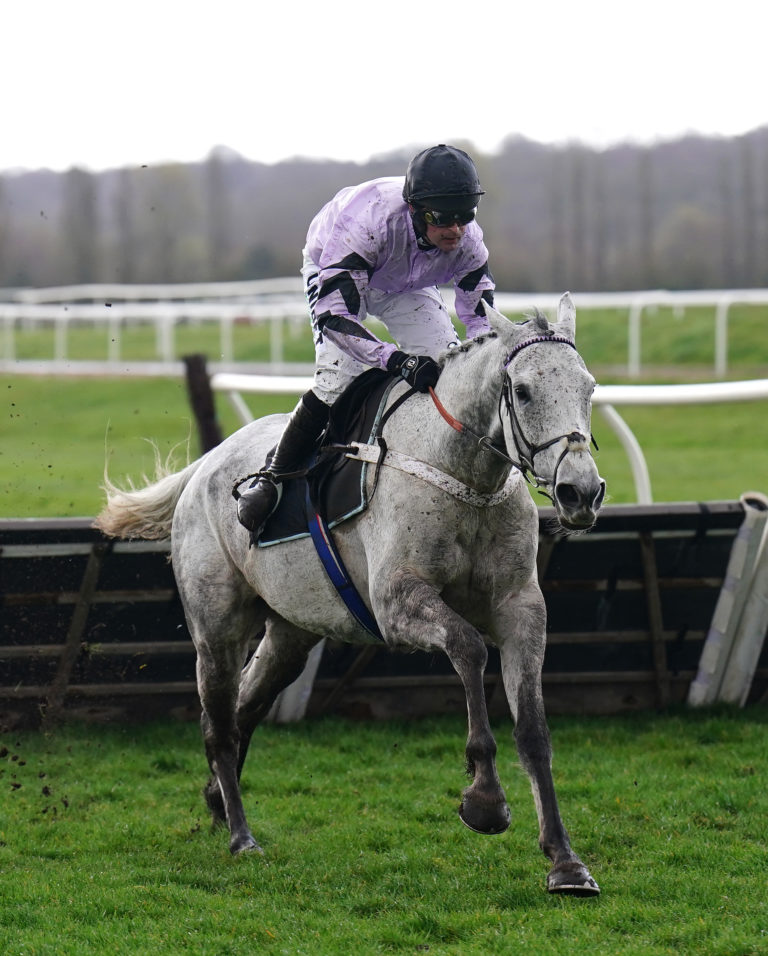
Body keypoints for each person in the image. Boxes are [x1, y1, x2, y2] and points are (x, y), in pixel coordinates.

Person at [236, 143, 496, 535]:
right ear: (415, 209)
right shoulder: (367, 224)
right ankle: (272, 475)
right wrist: (395, 360)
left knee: (445, 366)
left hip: (405, 282)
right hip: (336, 268)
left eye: (465, 215)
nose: (456, 229)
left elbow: (481, 322)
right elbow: (334, 317)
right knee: (339, 377)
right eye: (444, 218)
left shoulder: (469, 241)